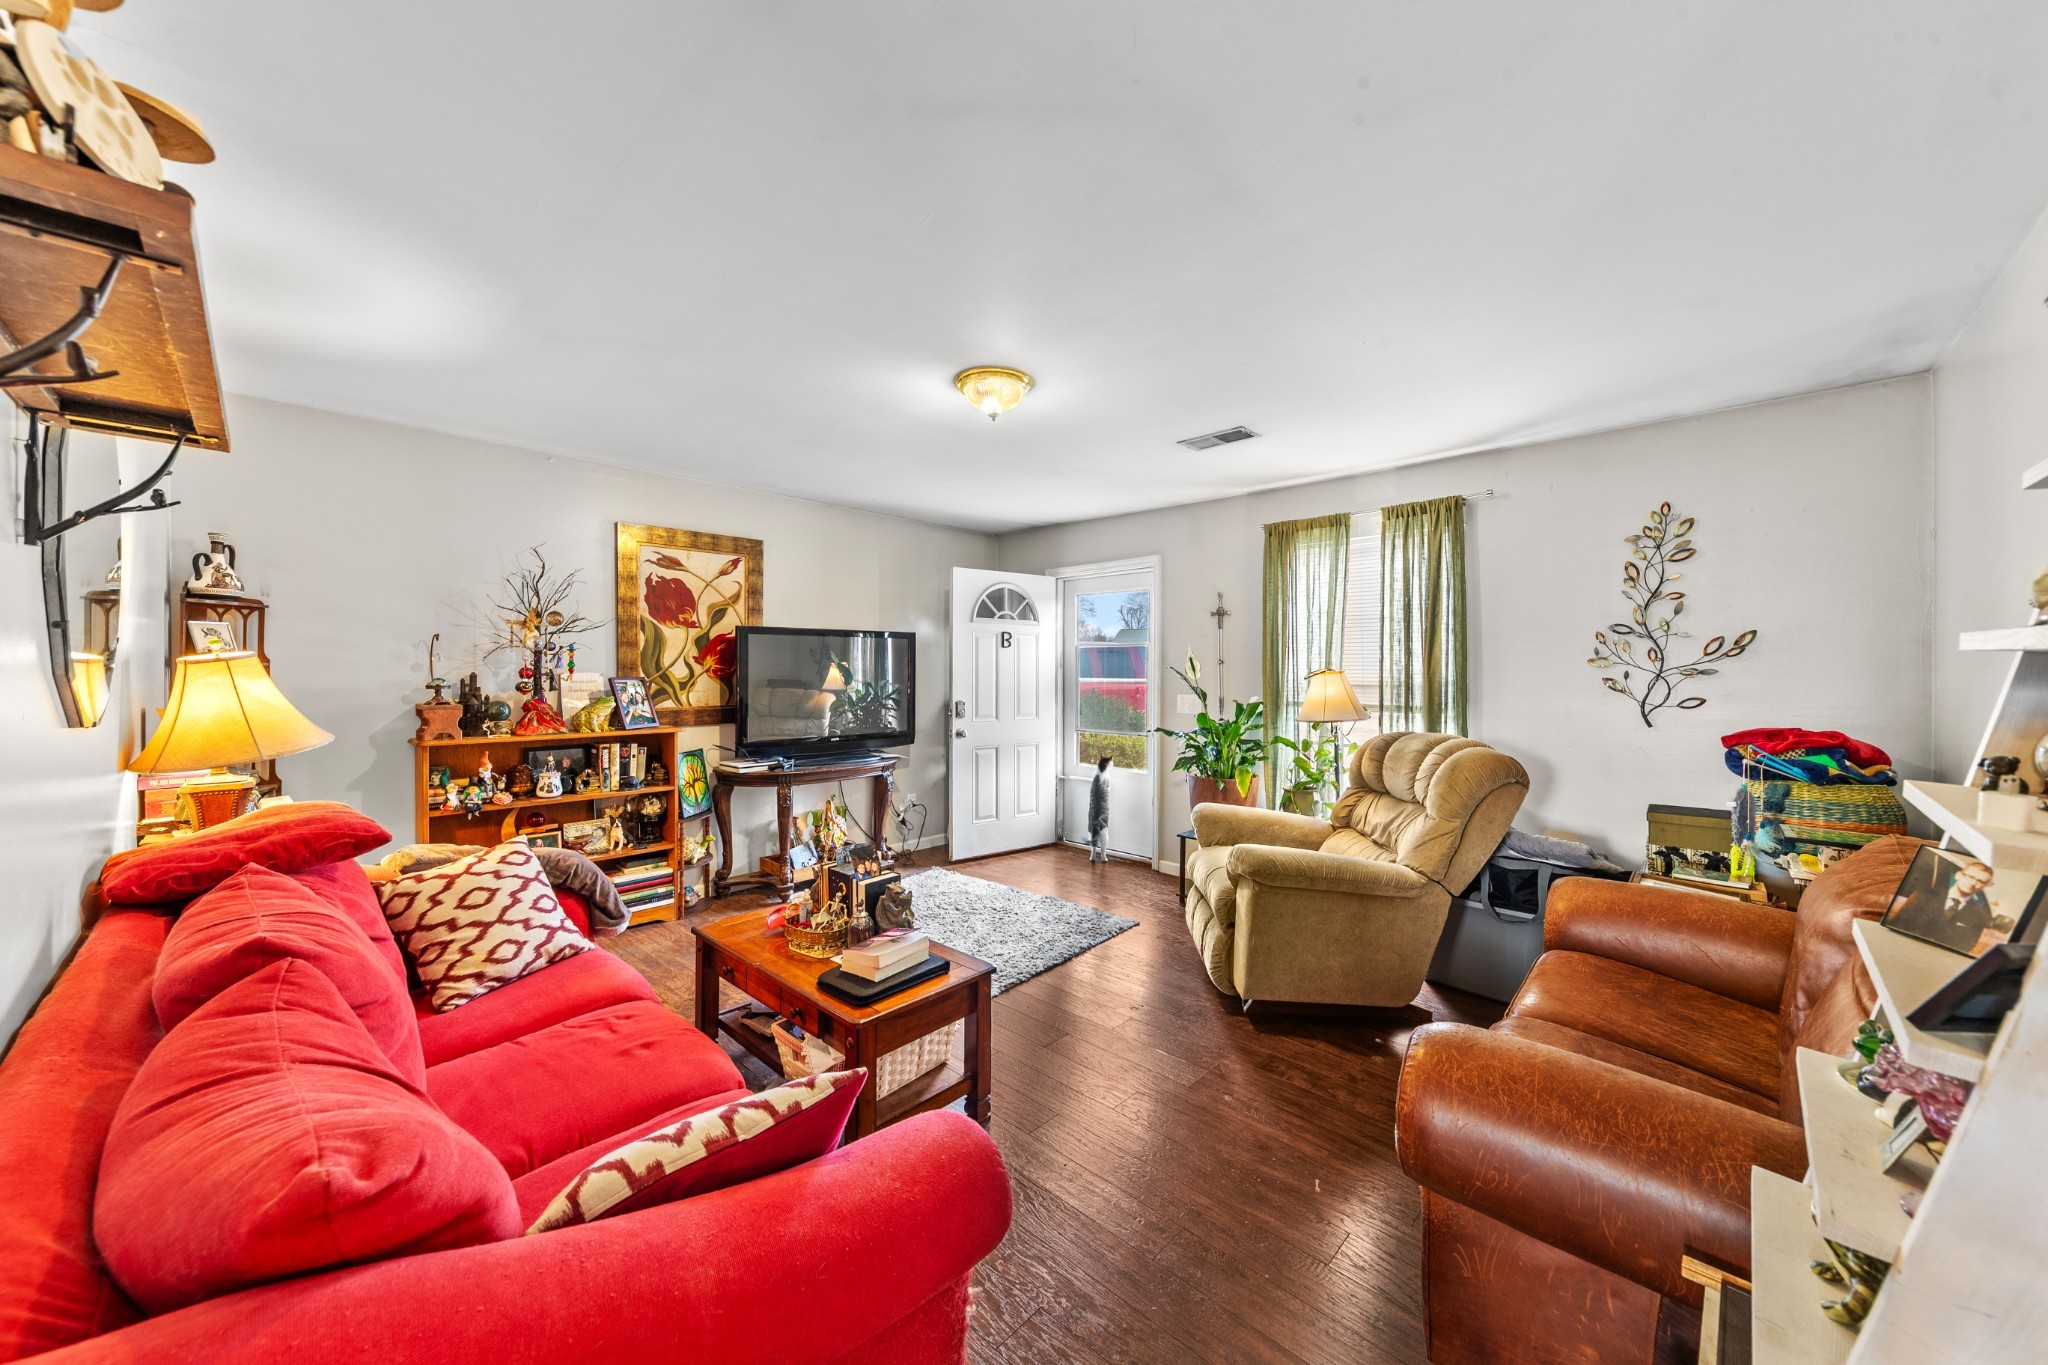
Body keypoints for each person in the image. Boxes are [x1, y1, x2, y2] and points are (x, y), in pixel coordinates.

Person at [1887, 854, 1998, 953]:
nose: (1973, 883)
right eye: (1970, 877)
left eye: (1981, 881)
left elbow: (1964, 947)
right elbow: (1899, 923)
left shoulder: (1979, 916)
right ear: (1959, 875)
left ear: (1984, 886)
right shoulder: (1924, 895)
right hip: (1903, 948)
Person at [1088, 755, 1112, 864]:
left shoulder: (1094, 777)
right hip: (1103, 809)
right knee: (1104, 832)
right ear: (1108, 765)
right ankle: (1103, 855)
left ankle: (1092, 854)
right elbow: (1108, 791)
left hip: (1093, 809)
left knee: (1092, 830)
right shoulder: (1106, 778)